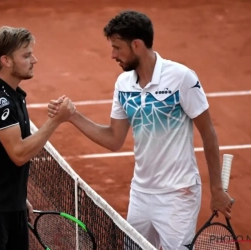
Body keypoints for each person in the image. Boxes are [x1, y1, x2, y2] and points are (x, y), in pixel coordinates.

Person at [48, 10, 233, 250]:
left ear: (136, 45)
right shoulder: (124, 84)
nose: (113, 55)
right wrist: (72, 116)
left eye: (117, 47)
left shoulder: (181, 78)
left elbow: (208, 133)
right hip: (141, 193)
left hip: (179, 194)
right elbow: (114, 139)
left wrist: (217, 189)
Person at [0, 26, 75, 250]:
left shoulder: (14, 96)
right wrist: (55, 120)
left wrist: (16, 198)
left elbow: (4, 156)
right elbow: (19, 154)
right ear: (6, 60)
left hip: (10, 204)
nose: (34, 59)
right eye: (26, 55)